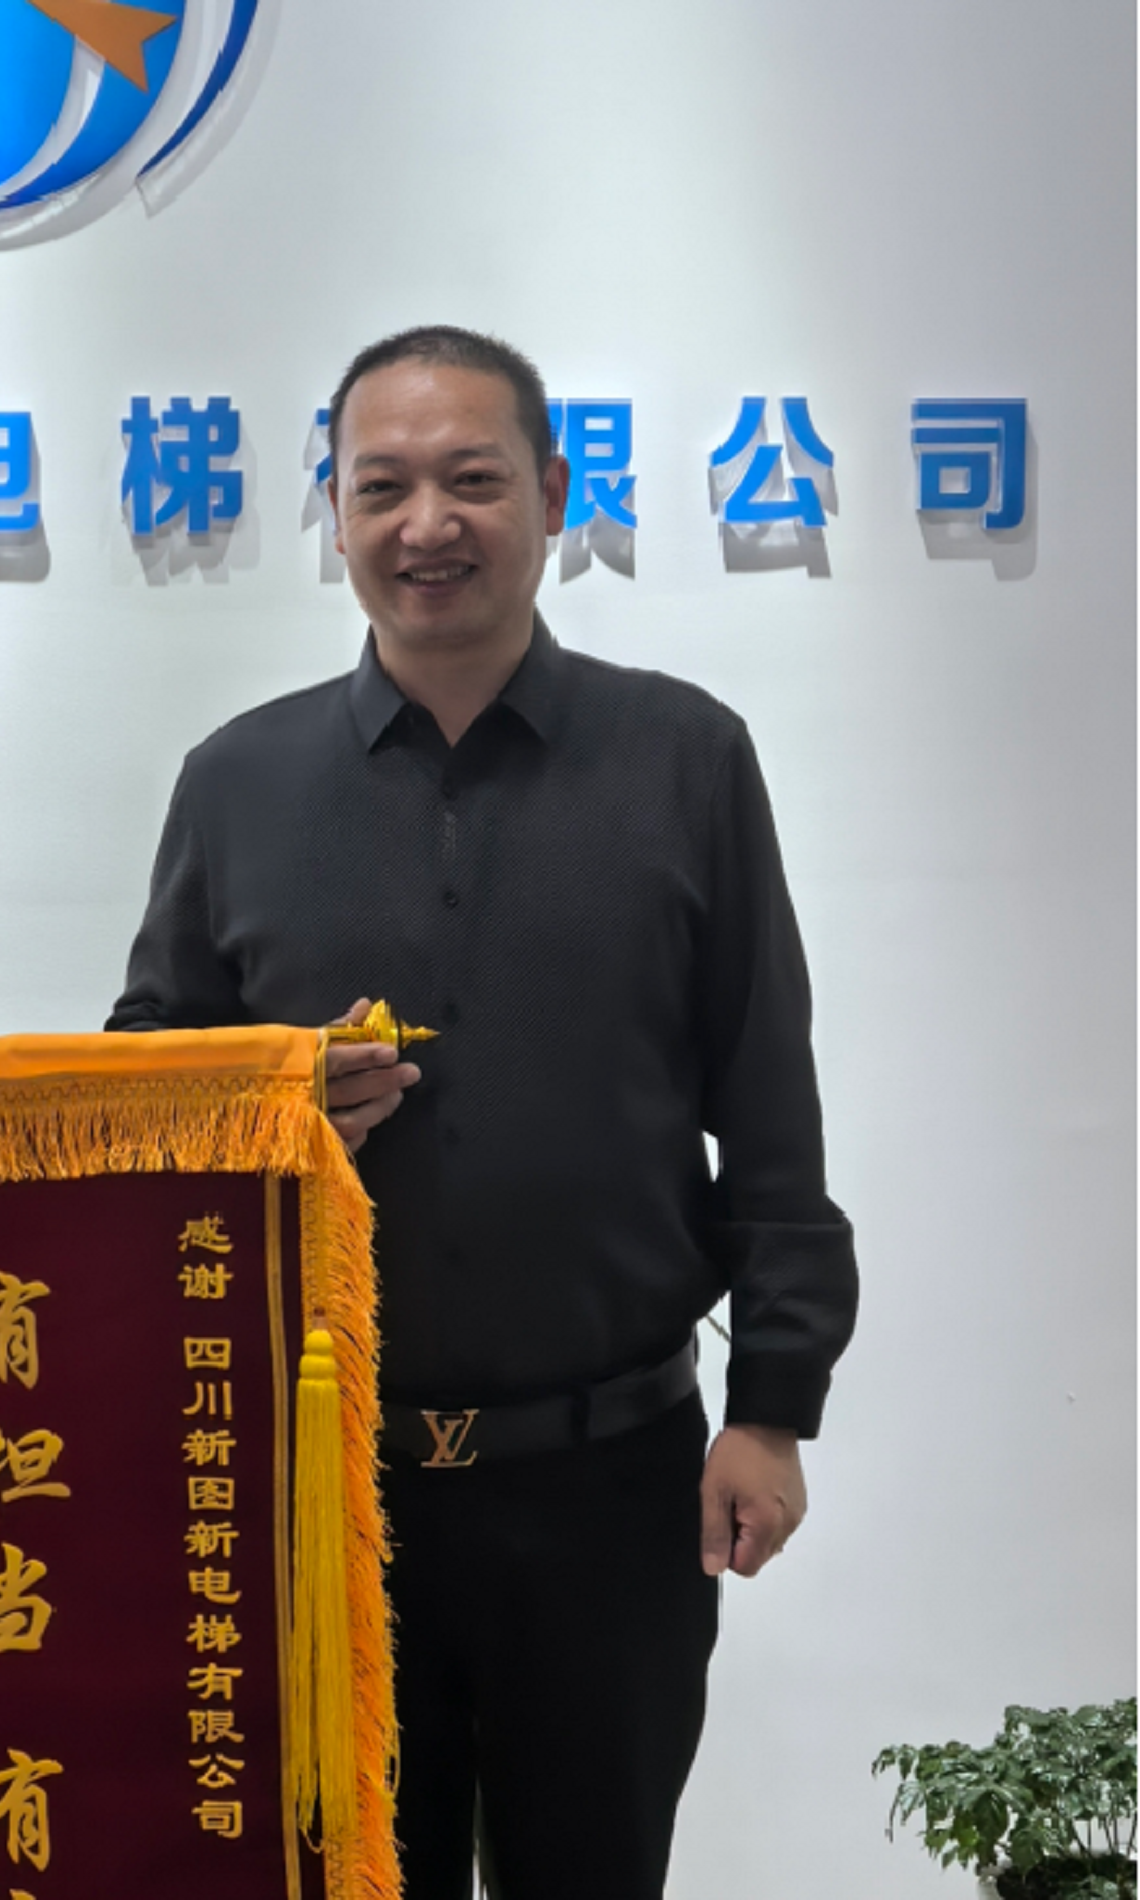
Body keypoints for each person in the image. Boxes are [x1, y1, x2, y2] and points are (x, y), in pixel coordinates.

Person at [109, 327, 858, 1898]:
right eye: (380, 487)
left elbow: (768, 1103)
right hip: (322, 1488)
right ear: (333, 511)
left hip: (611, 1484)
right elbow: (138, 1105)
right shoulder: (237, 784)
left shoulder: (685, 760)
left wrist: (773, 1405)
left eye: (472, 480)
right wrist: (274, 1104)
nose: (425, 524)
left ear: (554, 496)